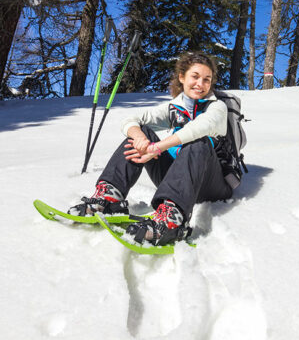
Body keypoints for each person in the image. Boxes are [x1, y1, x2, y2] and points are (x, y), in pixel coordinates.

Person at [69, 52, 233, 246]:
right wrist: (140, 138)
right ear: (182, 77)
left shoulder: (218, 107)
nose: (201, 84)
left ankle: (172, 221)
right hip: (178, 180)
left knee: (199, 141)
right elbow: (131, 120)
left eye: (207, 79)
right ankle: (109, 197)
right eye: (195, 76)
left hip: (211, 184)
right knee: (142, 132)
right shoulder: (175, 108)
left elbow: (199, 129)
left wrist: (156, 148)